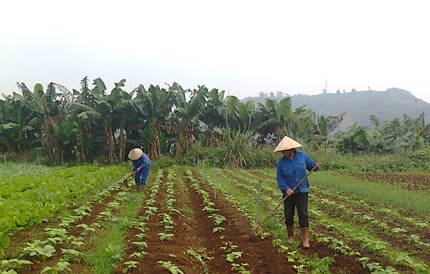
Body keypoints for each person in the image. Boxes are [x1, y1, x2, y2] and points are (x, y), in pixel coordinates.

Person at [274, 136, 322, 248]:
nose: (283, 152)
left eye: (284, 150)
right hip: (289, 193)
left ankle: (305, 239)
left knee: (303, 214)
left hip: (302, 190)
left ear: (290, 149)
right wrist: (286, 189)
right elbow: (280, 179)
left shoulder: (302, 156)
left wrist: (316, 166)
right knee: (288, 215)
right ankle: (290, 236)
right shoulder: (281, 163)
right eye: (282, 151)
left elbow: (311, 166)